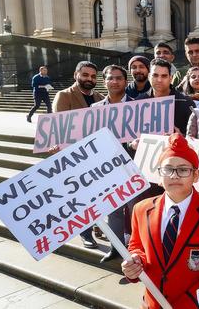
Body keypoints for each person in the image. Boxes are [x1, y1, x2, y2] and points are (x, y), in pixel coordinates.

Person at [121, 133, 199, 308]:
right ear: (159, 175)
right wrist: (136, 262)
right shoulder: (141, 209)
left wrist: (187, 303)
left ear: (196, 175)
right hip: (152, 303)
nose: (174, 176)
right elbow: (137, 246)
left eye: (183, 169)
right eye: (168, 169)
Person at [52, 61, 104, 249]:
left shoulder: (100, 96)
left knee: (97, 194)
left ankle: (99, 226)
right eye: (85, 75)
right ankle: (85, 233)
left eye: (92, 76)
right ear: (76, 75)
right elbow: (59, 127)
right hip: (75, 156)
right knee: (81, 197)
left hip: (96, 154)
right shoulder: (64, 96)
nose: (89, 79)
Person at [91, 65, 133, 262]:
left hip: (133, 167)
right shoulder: (94, 110)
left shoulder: (140, 107)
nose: (114, 82)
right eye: (110, 78)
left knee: (134, 210)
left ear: (126, 82)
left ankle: (134, 250)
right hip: (108, 169)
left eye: (118, 78)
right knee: (113, 211)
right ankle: (116, 248)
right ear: (104, 81)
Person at [136, 58, 196, 135]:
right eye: (155, 75)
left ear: (170, 78)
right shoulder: (138, 102)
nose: (159, 80)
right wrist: (132, 144)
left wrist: (181, 137)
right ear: (149, 76)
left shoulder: (186, 103)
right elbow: (129, 138)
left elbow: (195, 138)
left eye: (164, 76)